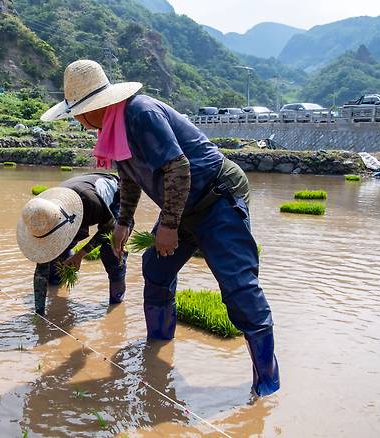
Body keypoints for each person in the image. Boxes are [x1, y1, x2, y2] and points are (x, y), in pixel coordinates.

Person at [40, 60, 280, 398]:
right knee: (155, 267)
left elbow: (178, 167)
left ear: (95, 107)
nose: (78, 120)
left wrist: (169, 225)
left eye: (78, 112)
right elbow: (129, 176)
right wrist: (124, 222)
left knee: (239, 288)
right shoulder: (114, 128)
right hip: (182, 204)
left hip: (216, 199)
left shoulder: (141, 114)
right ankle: (159, 344)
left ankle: (267, 382)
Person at [17, 173, 129, 316]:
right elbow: (41, 270)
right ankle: (59, 282)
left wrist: (80, 255)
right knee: (54, 257)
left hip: (116, 196)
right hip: (72, 204)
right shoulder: (40, 214)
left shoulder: (89, 201)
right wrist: (39, 313)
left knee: (111, 250)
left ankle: (116, 302)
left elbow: (110, 227)